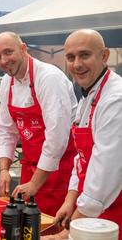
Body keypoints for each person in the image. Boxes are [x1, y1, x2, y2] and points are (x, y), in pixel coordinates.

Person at [42, 29, 122, 239]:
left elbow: (106, 171)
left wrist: (69, 232)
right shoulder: (88, 94)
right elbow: (82, 157)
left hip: (115, 211)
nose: (77, 64)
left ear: (104, 56)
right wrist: (70, 200)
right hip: (94, 210)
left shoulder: (116, 99)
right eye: (70, 57)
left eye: (84, 55)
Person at [0, 31, 78, 216]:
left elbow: (57, 138)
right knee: (28, 223)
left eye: (8, 52)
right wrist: (4, 169)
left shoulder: (49, 78)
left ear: (23, 49)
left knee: (52, 224)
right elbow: (6, 129)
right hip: (30, 167)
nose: (3, 61)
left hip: (60, 169)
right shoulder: (7, 83)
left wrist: (35, 183)